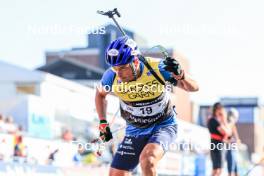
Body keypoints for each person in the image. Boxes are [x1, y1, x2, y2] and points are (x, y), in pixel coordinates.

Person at [95, 36, 199, 176]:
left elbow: (194, 88)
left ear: (136, 61)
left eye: (123, 68)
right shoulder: (111, 76)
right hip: (134, 131)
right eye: (115, 68)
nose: (119, 74)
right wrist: (103, 122)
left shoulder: (158, 68)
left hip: (163, 126)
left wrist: (181, 75)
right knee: (116, 174)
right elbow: (100, 95)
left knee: (148, 160)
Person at [207, 102, 232, 176]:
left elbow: (229, 133)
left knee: (218, 169)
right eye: (220, 109)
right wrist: (223, 120)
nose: (222, 111)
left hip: (218, 145)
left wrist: (224, 120)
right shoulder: (213, 120)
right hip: (217, 145)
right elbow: (225, 131)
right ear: (217, 109)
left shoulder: (218, 120)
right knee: (217, 170)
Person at [225, 108, 241, 176]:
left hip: (234, 149)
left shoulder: (232, 125)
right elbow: (226, 139)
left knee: (236, 170)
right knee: (231, 170)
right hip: (230, 149)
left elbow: (237, 139)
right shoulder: (228, 124)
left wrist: (237, 141)